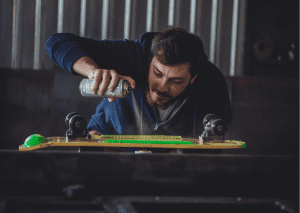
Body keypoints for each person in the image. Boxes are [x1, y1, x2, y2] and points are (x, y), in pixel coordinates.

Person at [46, 26, 232, 153]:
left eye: (175, 81)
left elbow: (211, 150)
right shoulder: (133, 54)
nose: (162, 87)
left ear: (193, 79)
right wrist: (93, 72)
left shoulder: (211, 84)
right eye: (157, 73)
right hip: (109, 142)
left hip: (171, 162)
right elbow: (56, 42)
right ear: (150, 60)